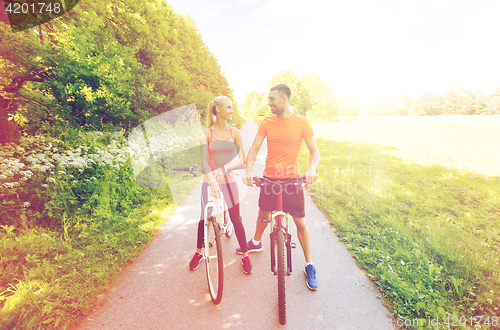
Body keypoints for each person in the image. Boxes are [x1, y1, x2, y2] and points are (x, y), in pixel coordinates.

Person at [239, 84, 320, 290]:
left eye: (272, 99)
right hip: (270, 179)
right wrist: (248, 170)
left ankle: (309, 265)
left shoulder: (302, 122)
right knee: (263, 215)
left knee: (300, 222)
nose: (269, 103)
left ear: (284, 99)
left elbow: (314, 152)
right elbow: (255, 148)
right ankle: (257, 242)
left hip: (292, 180)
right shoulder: (267, 122)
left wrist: (311, 169)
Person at [189, 95, 253, 274]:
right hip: (209, 182)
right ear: (218, 109)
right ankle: (198, 252)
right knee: (204, 217)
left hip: (229, 181)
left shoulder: (235, 132)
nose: (232, 111)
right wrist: (212, 182)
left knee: (236, 219)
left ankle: (245, 255)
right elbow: (204, 161)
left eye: (232, 108)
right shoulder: (206, 133)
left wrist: (224, 169)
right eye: (229, 107)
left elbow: (242, 158)